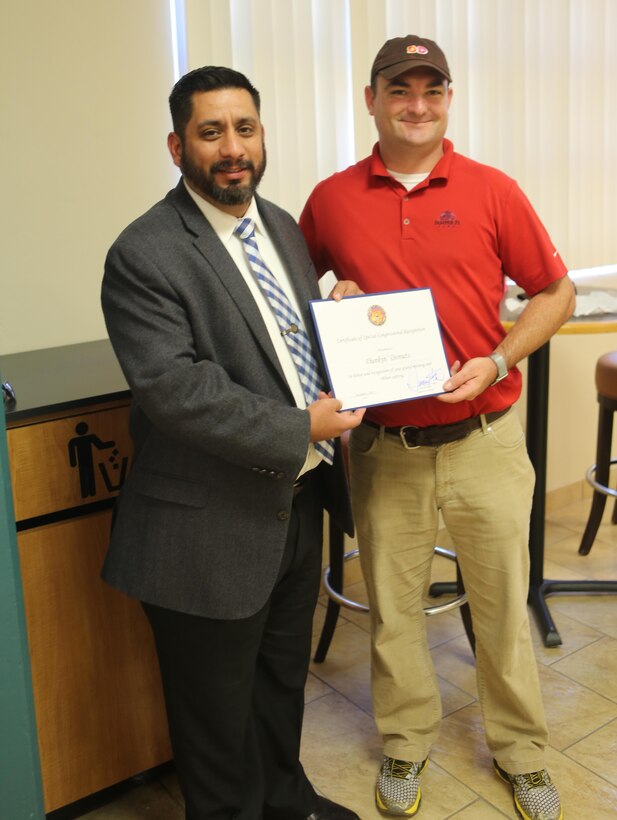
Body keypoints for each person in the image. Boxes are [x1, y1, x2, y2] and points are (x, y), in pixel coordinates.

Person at [300, 35, 575, 820]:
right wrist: (334, 303)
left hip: (484, 440)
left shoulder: (491, 190)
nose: (415, 105)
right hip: (385, 450)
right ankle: (405, 744)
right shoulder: (331, 198)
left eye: (431, 89)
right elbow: (293, 301)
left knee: (500, 607)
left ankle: (520, 752)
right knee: (393, 610)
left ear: (447, 99)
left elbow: (552, 293)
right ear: (372, 99)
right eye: (399, 89)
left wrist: (496, 357)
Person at [101, 65, 365, 820]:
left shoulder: (279, 226)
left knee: (280, 683)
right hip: (204, 528)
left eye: (243, 129)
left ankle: (286, 802)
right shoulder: (145, 253)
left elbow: (279, 345)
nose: (231, 148)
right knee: (214, 722)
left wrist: (332, 316)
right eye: (210, 132)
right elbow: (176, 391)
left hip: (294, 502)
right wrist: (298, 430)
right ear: (176, 145)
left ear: (261, 135)